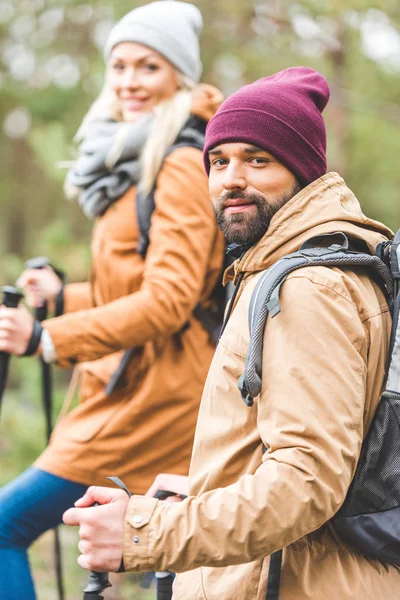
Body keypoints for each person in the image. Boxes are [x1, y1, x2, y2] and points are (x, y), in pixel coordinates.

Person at [63, 66, 400, 599]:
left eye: (257, 160)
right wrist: (201, 486)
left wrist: (144, 532)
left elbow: (306, 482)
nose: (231, 179)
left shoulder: (305, 287)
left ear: (304, 170)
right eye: (218, 161)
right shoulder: (285, 265)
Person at [0, 2, 224, 598]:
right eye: (119, 65)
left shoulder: (178, 162)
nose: (129, 81)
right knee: (166, 565)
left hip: (157, 393)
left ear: (179, 74)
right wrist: (60, 300)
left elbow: (171, 299)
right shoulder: (136, 156)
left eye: (148, 66)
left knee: (4, 526)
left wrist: (48, 338)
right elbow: (132, 285)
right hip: (130, 385)